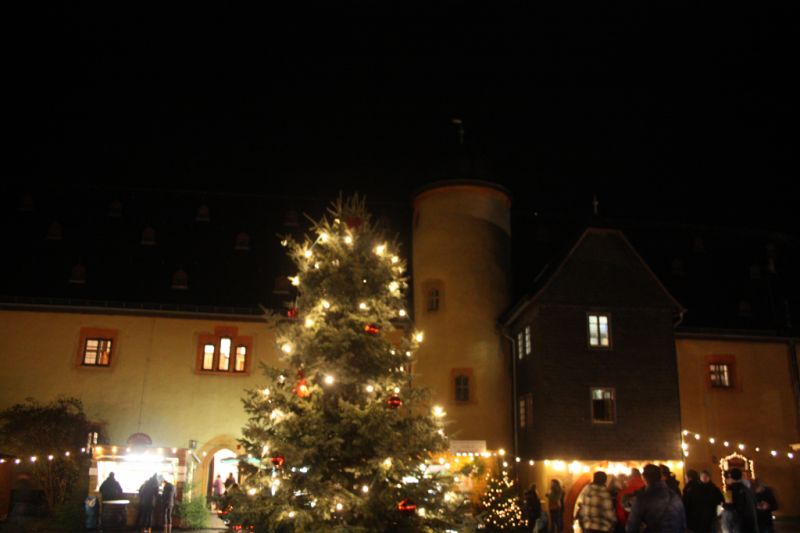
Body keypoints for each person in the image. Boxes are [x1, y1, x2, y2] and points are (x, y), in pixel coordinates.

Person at [626, 464, 686, 533]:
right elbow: (683, 523)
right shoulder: (675, 496)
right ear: (661, 477)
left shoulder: (642, 499)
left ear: (644, 478)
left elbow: (631, 528)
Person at [723, 468, 759, 533]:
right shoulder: (748, 489)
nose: (726, 480)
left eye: (727, 478)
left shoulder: (729, 490)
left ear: (731, 477)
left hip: (738, 525)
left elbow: (728, 508)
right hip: (749, 525)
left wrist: (724, 505)